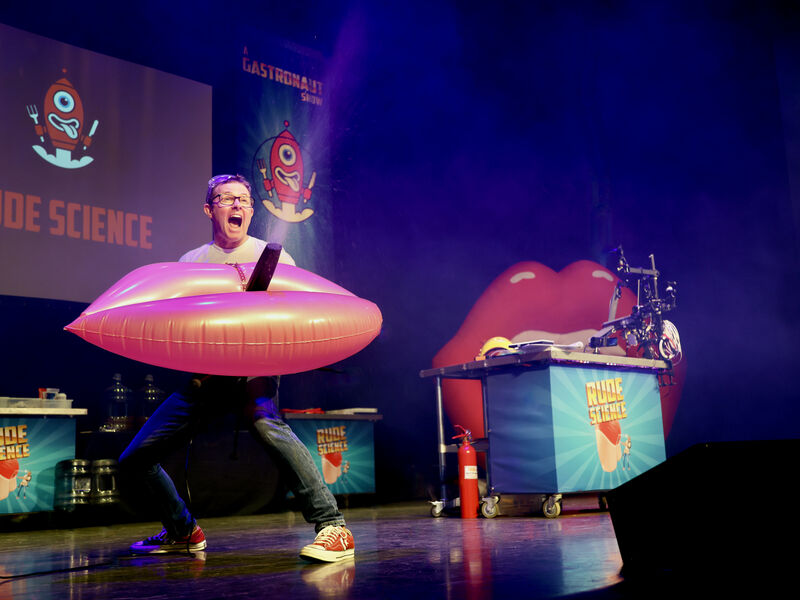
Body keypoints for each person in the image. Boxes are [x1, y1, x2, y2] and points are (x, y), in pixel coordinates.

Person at [119, 174, 354, 563]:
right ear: (209, 209)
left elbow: (291, 317)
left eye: (244, 199)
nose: (237, 206)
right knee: (135, 458)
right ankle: (182, 530)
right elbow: (180, 324)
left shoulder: (274, 258)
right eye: (226, 199)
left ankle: (334, 526)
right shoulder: (190, 263)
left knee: (266, 424)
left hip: (253, 372)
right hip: (205, 378)